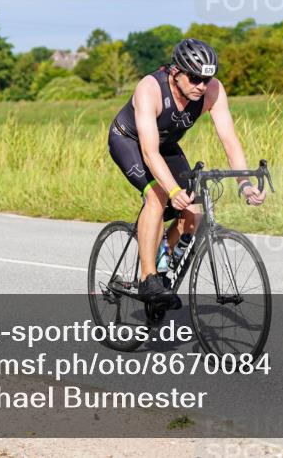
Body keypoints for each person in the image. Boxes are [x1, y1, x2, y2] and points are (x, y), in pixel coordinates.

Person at [108, 38, 266, 300]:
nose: (201, 86)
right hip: (130, 142)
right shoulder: (150, 88)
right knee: (158, 197)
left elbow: (229, 139)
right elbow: (148, 152)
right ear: (175, 71)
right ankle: (148, 279)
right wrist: (171, 189)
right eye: (194, 79)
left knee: (193, 212)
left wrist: (244, 184)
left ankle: (162, 259)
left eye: (206, 79)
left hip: (166, 145)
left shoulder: (213, 90)